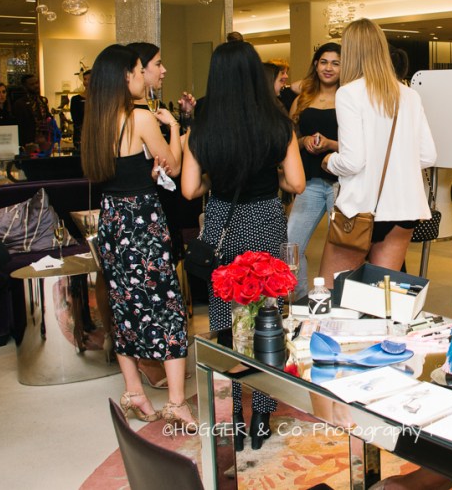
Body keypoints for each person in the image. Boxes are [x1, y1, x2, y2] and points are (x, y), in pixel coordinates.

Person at [180, 39, 305, 450]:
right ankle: (262, 417)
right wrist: (271, 177)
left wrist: (216, 180)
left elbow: (189, 189)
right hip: (265, 222)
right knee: (267, 320)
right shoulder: (278, 124)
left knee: (227, 324)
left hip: (222, 224)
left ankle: (232, 415)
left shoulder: (202, 129)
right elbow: (297, 183)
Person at [80, 44, 194, 430]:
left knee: (123, 304)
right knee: (168, 305)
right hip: (142, 220)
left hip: (112, 219)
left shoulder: (96, 122)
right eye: (138, 70)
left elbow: (116, 171)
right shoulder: (140, 118)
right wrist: (175, 128)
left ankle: (133, 392)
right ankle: (176, 402)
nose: (143, 76)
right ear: (126, 76)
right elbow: (173, 166)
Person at [319, 19, 437, 284]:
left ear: (350, 52)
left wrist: (329, 161)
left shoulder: (349, 93)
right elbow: (428, 155)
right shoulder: (409, 94)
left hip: (361, 208)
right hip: (404, 208)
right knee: (382, 295)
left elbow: (353, 161)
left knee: (331, 291)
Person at [285, 42, 342, 298]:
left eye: (335, 63)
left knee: (341, 247)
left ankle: (338, 303)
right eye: (324, 62)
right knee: (291, 244)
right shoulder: (303, 99)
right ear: (316, 65)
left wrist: (330, 144)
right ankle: (298, 300)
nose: (328, 68)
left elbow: (360, 146)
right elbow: (289, 140)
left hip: (341, 183)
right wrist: (304, 141)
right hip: (309, 181)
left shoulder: (348, 99)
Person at [11, 74, 53, 155]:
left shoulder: (42, 101)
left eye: (36, 83)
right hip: (29, 143)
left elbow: (47, 117)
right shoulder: (20, 104)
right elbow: (19, 125)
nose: (36, 86)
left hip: (44, 141)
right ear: (25, 87)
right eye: (32, 84)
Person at [69, 69, 90, 152]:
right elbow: (76, 120)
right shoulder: (76, 99)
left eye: (89, 79)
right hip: (80, 138)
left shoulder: (100, 98)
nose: (86, 82)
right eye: (85, 79)